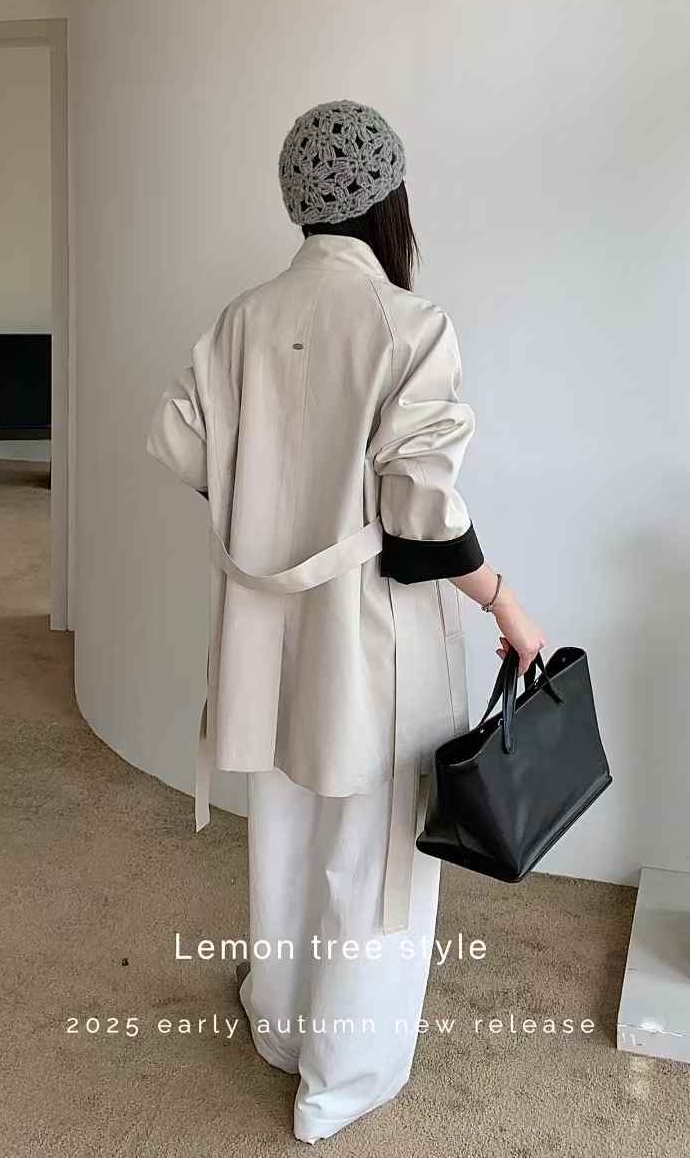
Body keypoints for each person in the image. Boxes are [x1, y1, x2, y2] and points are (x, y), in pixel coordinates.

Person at [146, 99, 544, 1143]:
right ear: (388, 198)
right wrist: (504, 603)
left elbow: (182, 444)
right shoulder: (410, 325)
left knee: (283, 828)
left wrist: (268, 501)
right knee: (375, 861)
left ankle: (282, 1025)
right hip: (373, 636)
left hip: (263, 629)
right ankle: (342, 1079)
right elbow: (420, 515)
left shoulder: (241, 319)